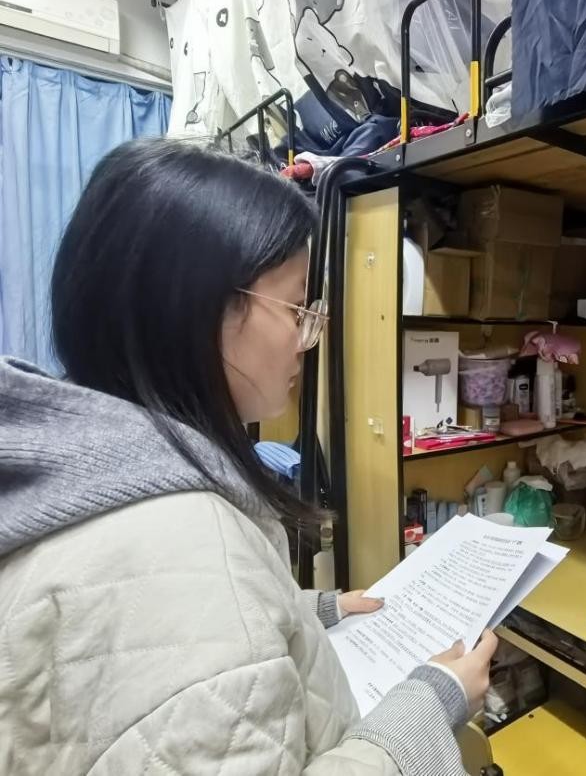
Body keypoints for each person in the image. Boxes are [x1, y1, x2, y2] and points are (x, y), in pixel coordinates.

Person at [0, 138, 498, 775]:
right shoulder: (180, 549)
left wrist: (303, 611)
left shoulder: (90, 468)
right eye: (296, 306)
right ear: (198, 306)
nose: (307, 340)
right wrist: (431, 704)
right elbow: (182, 612)